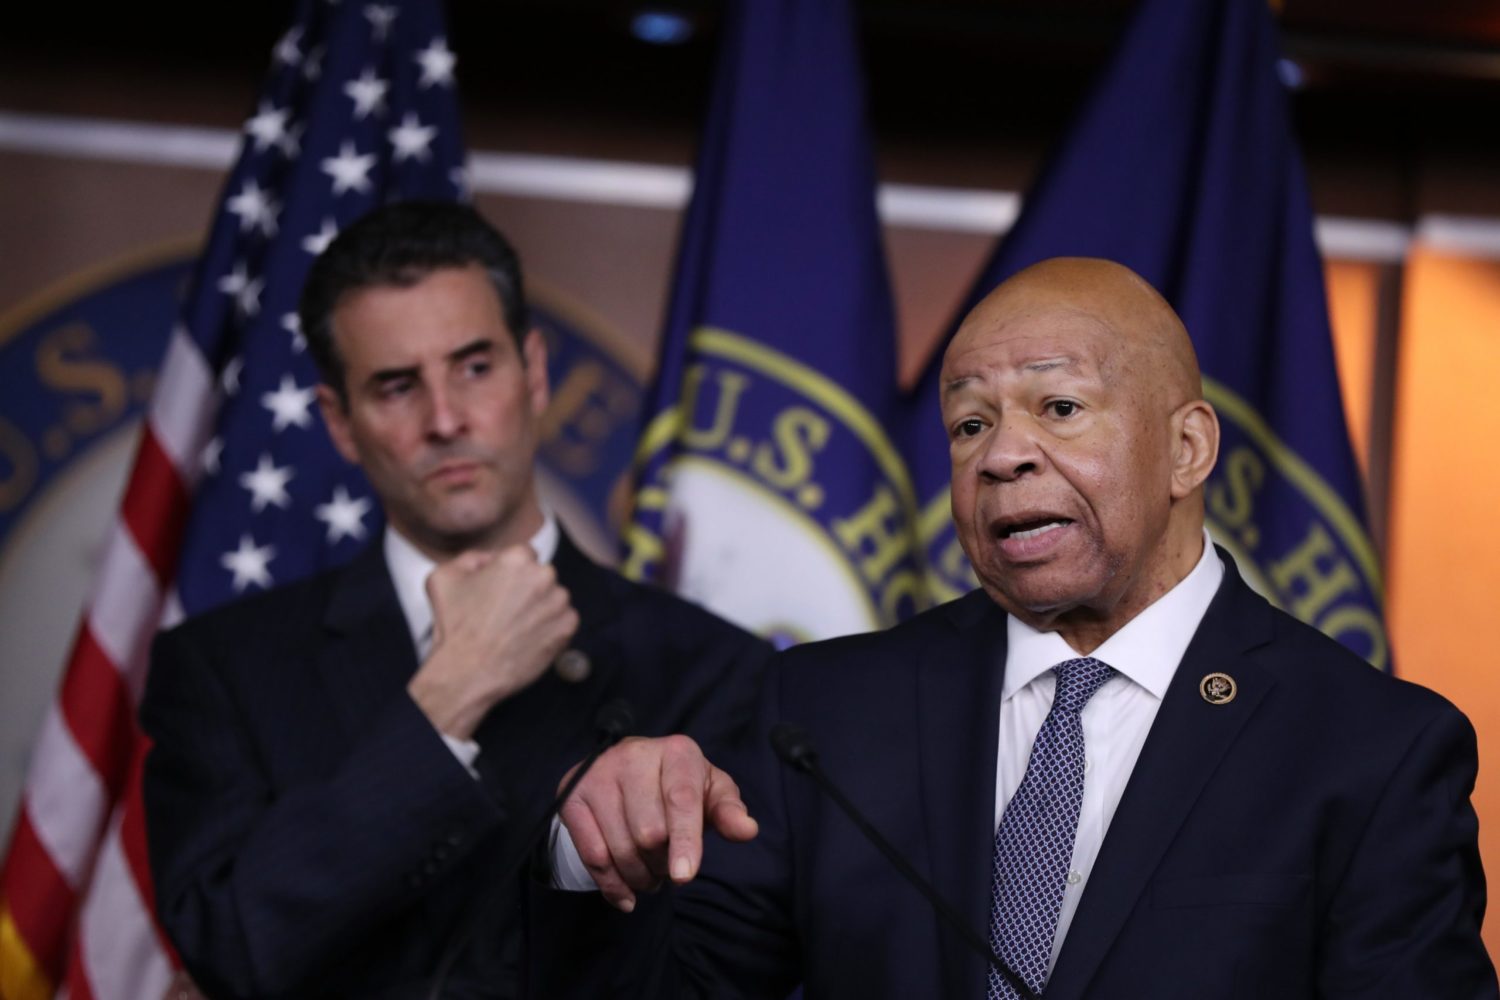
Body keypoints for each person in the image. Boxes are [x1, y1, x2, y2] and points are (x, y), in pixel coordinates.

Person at [546, 257, 1498, 998]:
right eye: (970, 425)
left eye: (1060, 407)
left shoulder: (1370, 749)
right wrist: (591, 855)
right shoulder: (824, 713)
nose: (1002, 455)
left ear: (1187, 448)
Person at [139, 200, 773, 999]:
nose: (445, 419)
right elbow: (229, 948)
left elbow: (733, 970)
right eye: (396, 386)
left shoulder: (713, 669)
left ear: (533, 373)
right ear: (340, 422)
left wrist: (578, 854)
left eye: (474, 368)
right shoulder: (223, 667)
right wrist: (450, 692)